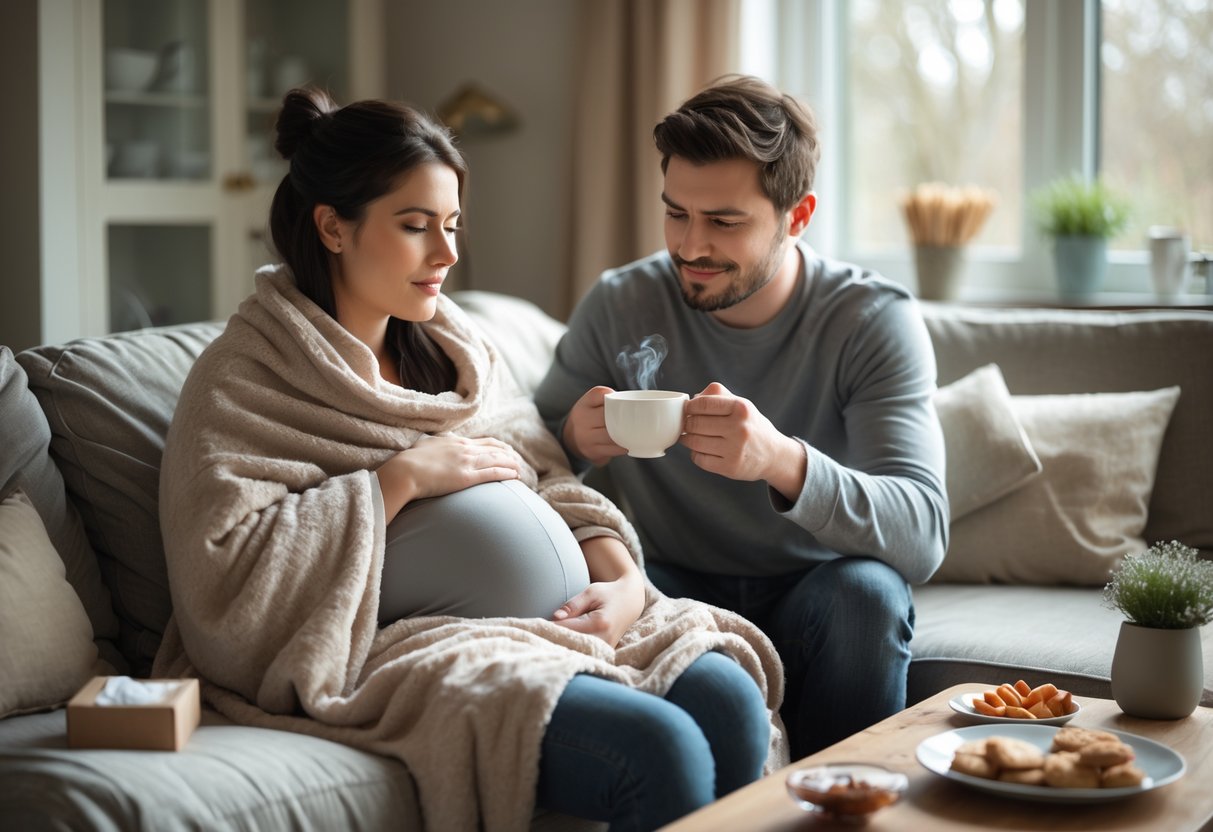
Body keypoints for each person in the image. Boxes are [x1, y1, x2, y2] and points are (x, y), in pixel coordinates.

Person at [154, 87, 780, 831]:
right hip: (410, 643)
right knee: (660, 746)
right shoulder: (246, 377)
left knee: (732, 703)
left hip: (572, 618)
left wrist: (623, 581)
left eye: (451, 225)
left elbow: (547, 473)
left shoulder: (454, 345)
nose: (448, 253)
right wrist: (398, 479)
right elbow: (223, 582)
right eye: (416, 226)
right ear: (331, 226)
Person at [534, 75, 948, 759]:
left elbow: (921, 533)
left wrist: (781, 462)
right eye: (675, 213)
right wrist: (571, 440)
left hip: (815, 590)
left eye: (724, 222)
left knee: (869, 595)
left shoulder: (871, 321)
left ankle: (839, 802)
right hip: (665, 580)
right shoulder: (619, 302)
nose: (690, 246)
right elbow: (528, 458)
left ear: (799, 214)